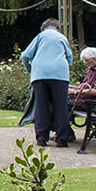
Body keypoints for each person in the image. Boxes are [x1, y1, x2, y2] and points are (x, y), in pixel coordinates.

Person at [21, 18, 74, 147]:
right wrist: (65, 68)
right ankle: (62, 138)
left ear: (43, 28)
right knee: (60, 106)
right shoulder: (61, 38)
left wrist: (31, 69)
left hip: (40, 75)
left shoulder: (40, 37)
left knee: (41, 106)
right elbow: (69, 57)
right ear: (57, 28)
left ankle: (41, 138)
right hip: (60, 76)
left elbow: (24, 56)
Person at [69, 47, 96, 112]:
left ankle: (59, 122)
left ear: (94, 59)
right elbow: (84, 87)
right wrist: (69, 87)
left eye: (86, 60)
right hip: (80, 99)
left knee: (58, 102)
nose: (85, 63)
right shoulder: (91, 69)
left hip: (87, 103)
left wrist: (75, 92)